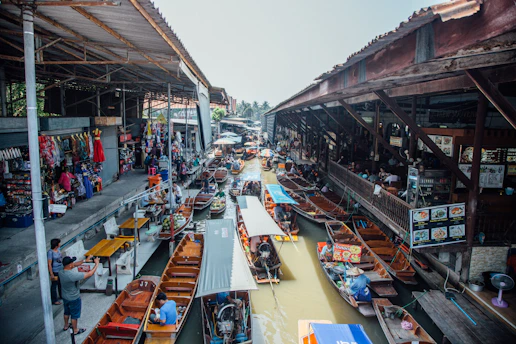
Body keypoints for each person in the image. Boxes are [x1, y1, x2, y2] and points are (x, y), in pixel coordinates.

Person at [60, 255, 100, 335]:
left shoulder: (61, 271)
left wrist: (85, 261)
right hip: (74, 298)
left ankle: (66, 325)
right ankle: (75, 330)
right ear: (70, 264)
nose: (73, 263)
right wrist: (97, 264)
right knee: (74, 315)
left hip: (65, 296)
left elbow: (74, 265)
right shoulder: (72, 275)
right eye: (72, 262)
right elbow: (89, 274)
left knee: (66, 312)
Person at [47, 238, 63, 305]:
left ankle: (61, 295)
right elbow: (49, 264)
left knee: (60, 283)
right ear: (56, 245)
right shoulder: (50, 252)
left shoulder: (58, 250)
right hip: (54, 270)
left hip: (60, 269)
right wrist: (51, 273)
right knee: (54, 285)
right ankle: (54, 300)